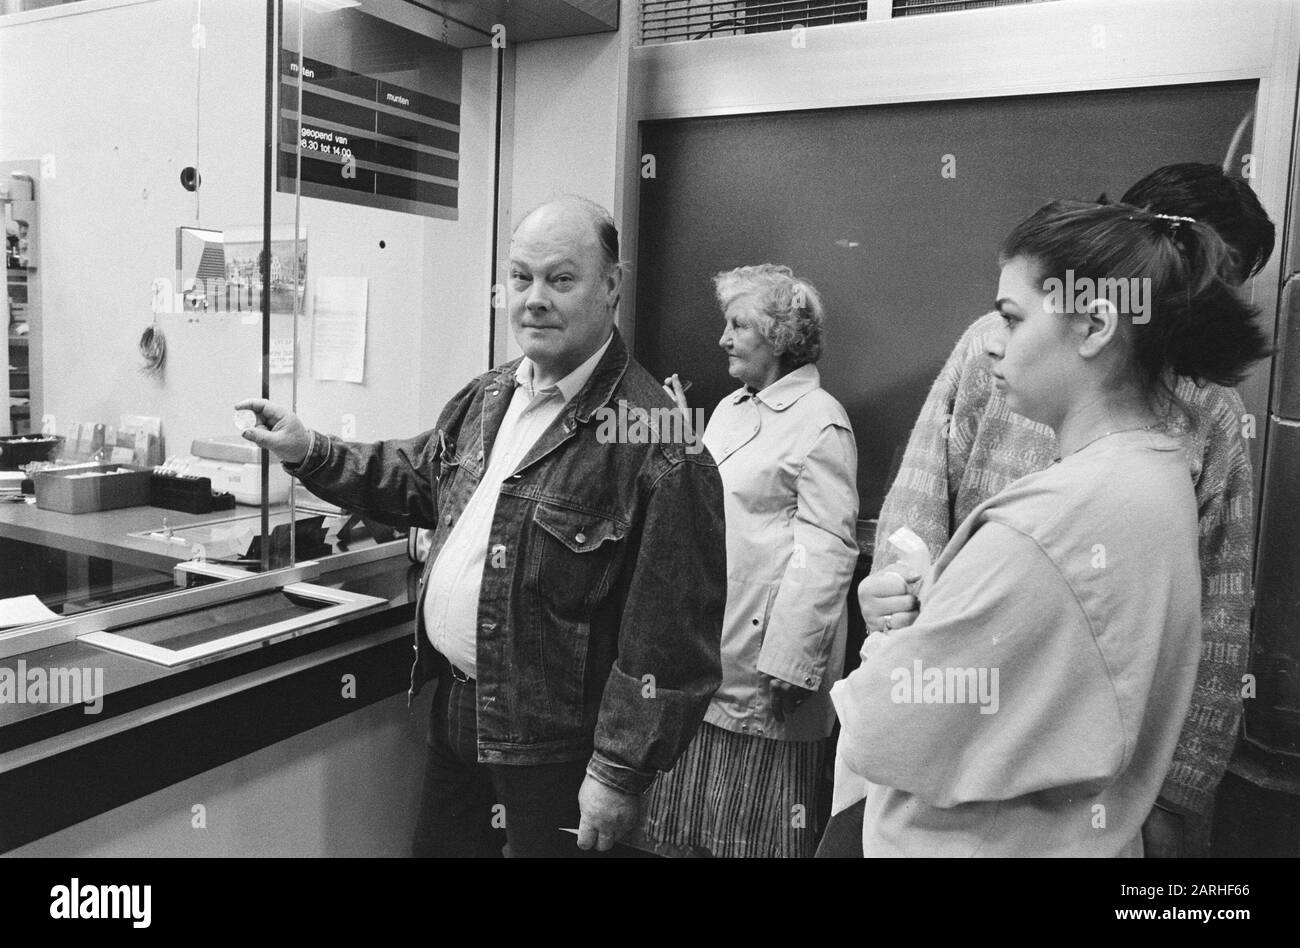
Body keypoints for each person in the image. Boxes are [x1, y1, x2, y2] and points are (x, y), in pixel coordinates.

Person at [237, 195, 727, 857]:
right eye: (520, 278)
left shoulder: (659, 441)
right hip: (460, 710)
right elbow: (414, 476)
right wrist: (309, 450)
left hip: (558, 749)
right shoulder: (490, 395)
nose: (534, 298)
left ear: (611, 286)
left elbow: (669, 646)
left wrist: (618, 772)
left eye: (561, 279)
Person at [844, 164, 1274, 857]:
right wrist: (897, 599)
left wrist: (1172, 801)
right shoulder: (1001, 355)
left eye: (1221, 280)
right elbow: (914, 509)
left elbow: (1218, 622)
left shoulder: (1201, 424)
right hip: (952, 737)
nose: (1197, 300)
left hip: (1025, 790)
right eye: (1192, 271)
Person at [640, 265, 859, 858]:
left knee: (752, 837)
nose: (722, 338)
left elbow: (829, 549)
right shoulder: (731, 409)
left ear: (780, 335)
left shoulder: (822, 420)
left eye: (738, 325)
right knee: (688, 836)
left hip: (767, 667)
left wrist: (791, 660)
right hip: (710, 644)